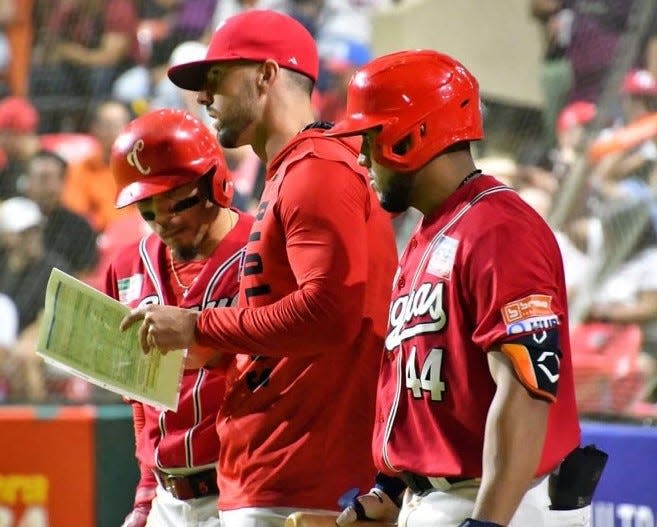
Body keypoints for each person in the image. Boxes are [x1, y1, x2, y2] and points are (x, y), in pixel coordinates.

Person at [120, 9, 398, 527]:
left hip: (303, 475)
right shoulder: (292, 170)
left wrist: (197, 325)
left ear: (266, 75)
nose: (204, 98)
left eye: (217, 80)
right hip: (269, 469)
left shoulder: (316, 169)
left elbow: (329, 312)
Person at [325, 50, 595, 527]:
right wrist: (391, 489)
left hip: (500, 501)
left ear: (413, 135)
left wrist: (488, 522)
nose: (362, 156)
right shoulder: (432, 230)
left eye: (370, 137)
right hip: (445, 499)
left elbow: (528, 388)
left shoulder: (498, 229)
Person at [106, 108, 254, 527]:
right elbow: (140, 399)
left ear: (215, 183)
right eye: (148, 212)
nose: (163, 224)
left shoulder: (265, 252)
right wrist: (145, 494)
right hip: (168, 500)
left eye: (176, 205)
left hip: (246, 490)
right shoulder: (126, 267)